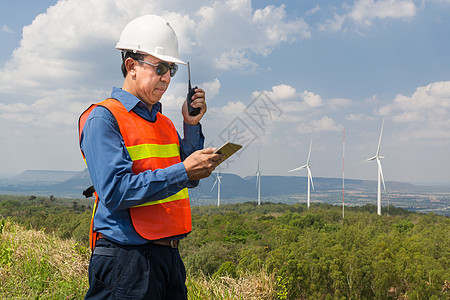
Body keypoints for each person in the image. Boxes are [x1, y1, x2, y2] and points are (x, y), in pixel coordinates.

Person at [78, 15, 222, 299]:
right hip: (126, 260)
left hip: (168, 258)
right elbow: (115, 191)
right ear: (131, 66)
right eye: (159, 67)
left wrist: (191, 126)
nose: (167, 77)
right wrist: (183, 171)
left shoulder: (165, 123)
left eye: (170, 69)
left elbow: (186, 178)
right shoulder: (103, 118)